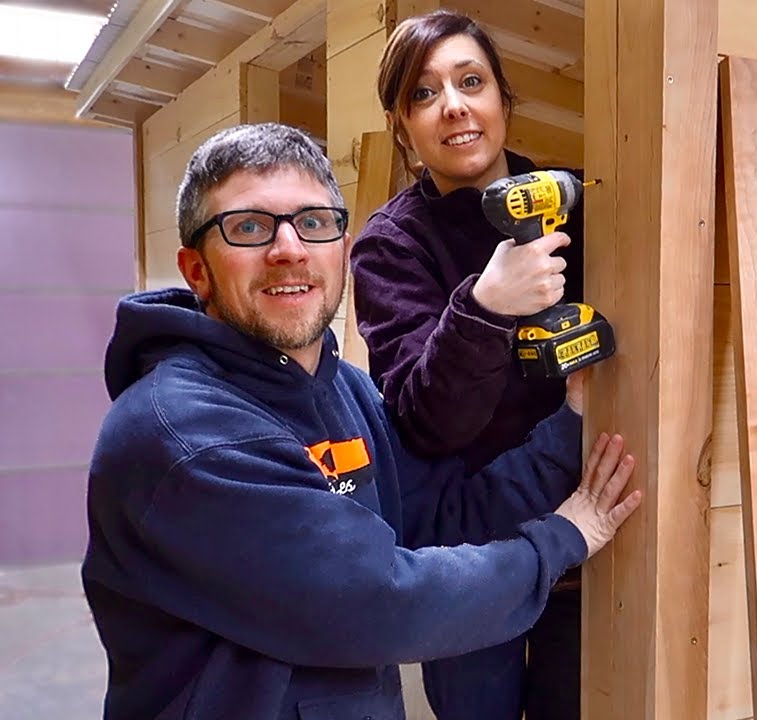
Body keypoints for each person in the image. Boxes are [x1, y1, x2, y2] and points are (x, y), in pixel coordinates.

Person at [79, 122, 641, 720]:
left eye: (315, 223)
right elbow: (378, 602)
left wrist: (570, 421)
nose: (289, 249)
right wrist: (562, 539)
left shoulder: (343, 390)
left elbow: (438, 518)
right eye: (248, 227)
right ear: (196, 271)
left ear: (341, 249)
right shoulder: (184, 436)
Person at [349, 10, 586, 720]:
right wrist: (485, 307)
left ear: (502, 100)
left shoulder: (578, 200)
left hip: (587, 530)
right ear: (403, 126)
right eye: (424, 94)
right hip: (468, 553)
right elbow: (427, 423)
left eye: (470, 81)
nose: (452, 105)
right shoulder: (390, 247)